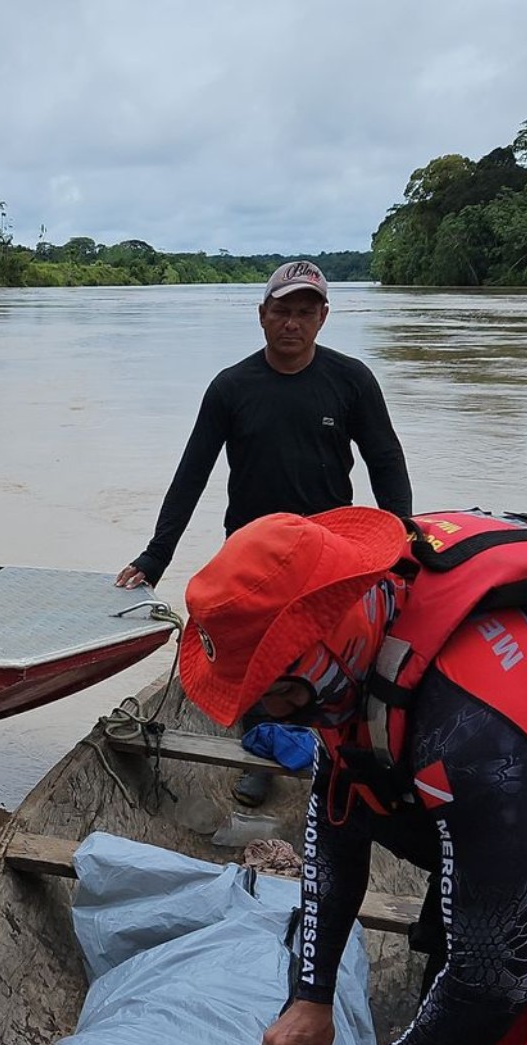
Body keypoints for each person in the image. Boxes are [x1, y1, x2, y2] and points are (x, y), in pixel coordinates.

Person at [176, 505, 527, 1045]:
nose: (272, 720)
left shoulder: (472, 728)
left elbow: (495, 981)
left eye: (281, 697)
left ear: (330, 649)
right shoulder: (360, 647)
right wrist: (312, 994)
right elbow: (341, 813)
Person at [116, 259, 413, 804]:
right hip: (251, 558)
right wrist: (156, 556)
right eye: (282, 311)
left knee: (333, 654)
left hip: (328, 549)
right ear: (262, 315)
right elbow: (192, 473)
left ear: (323, 317)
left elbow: (385, 462)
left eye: (305, 312)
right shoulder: (232, 387)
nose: (292, 323)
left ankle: (336, 754)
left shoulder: (351, 381)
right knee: (252, 660)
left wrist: (405, 539)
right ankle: (258, 755)